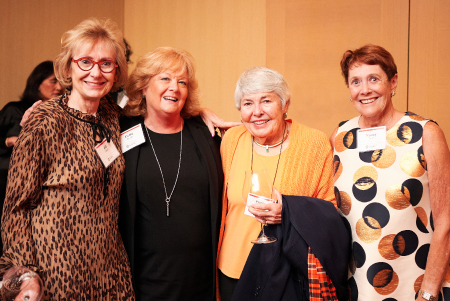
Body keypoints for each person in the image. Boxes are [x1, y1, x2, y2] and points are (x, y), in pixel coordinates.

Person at [0, 18, 135, 299]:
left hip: (108, 268)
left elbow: (162, 102)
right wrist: (25, 275)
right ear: (68, 67)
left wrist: (200, 112)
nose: (95, 73)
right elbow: (16, 209)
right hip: (56, 271)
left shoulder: (111, 115)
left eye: (106, 63)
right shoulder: (43, 122)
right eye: (85, 61)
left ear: (116, 71)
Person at [330, 44, 450, 300]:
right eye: (355, 82)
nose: (365, 90)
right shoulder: (340, 137)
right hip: (356, 288)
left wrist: (427, 293)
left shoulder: (425, 134)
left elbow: (445, 224)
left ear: (393, 82)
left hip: (415, 283)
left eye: (374, 79)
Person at [217, 67, 341, 300]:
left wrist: (289, 213)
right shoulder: (232, 139)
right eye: (247, 103)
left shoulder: (314, 144)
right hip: (232, 270)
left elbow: (331, 210)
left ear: (285, 104)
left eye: (266, 101)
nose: (257, 112)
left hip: (286, 273)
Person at [118, 46, 224, 300]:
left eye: (182, 82)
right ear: (143, 86)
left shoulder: (205, 135)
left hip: (201, 278)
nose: (174, 88)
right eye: (164, 78)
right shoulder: (121, 133)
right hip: (143, 279)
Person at [0, 61, 62, 255]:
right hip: (6, 181)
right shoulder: (14, 109)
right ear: (37, 83)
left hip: (40, 186)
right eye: (53, 81)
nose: (59, 87)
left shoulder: (60, 113)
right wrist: (8, 141)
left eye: (61, 82)